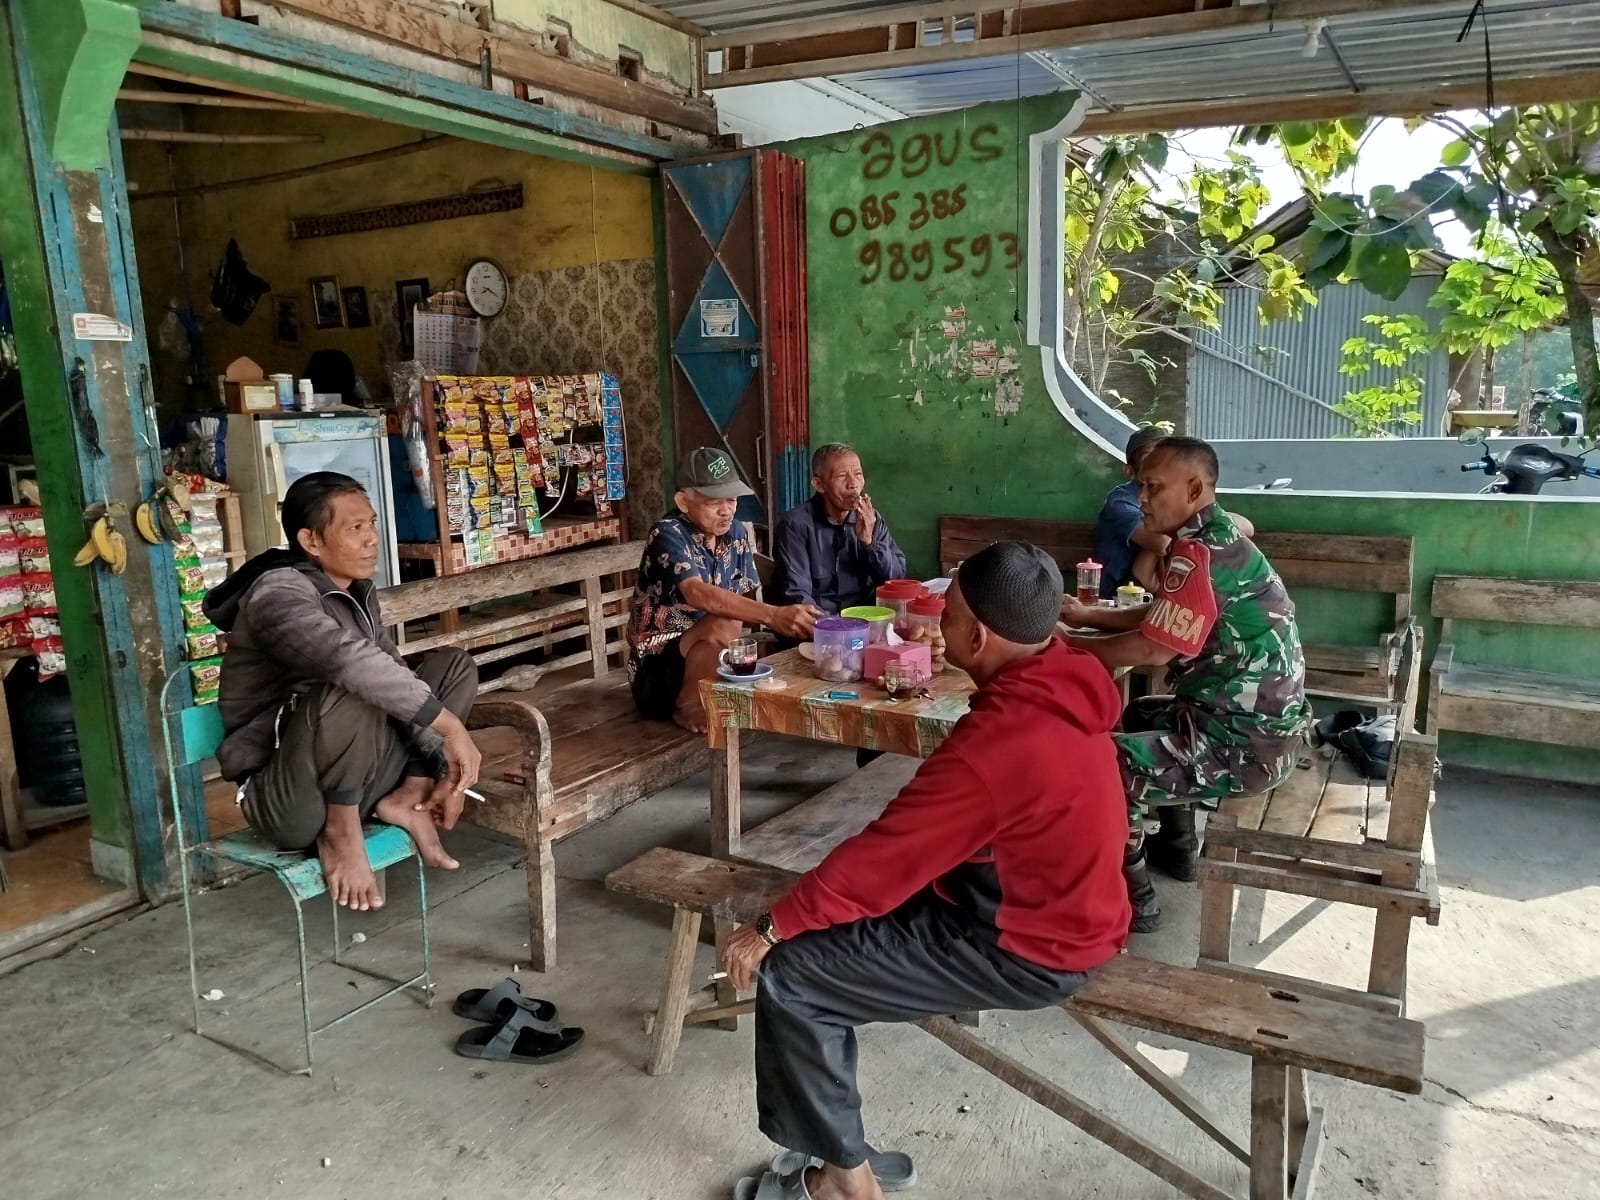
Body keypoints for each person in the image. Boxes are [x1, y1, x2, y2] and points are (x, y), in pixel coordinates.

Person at [720, 541, 1130, 1200]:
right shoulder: (1066, 678)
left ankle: (845, 1183)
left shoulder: (1001, 741)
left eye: (947, 614)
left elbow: (886, 859)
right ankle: (840, 1147)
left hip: (1028, 947)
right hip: (1063, 912)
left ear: (977, 636)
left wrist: (771, 928)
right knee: (832, 928)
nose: (936, 625)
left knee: (793, 976)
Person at [1062, 437, 1310, 932]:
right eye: (1141, 486)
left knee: (1103, 763)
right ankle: (1176, 850)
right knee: (1141, 713)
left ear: (1194, 489)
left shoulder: (1200, 552)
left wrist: (1067, 647)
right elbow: (1164, 617)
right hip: (1253, 726)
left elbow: (1154, 650)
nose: (1143, 498)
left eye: (1154, 487)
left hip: (1247, 747)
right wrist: (1088, 619)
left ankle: (1136, 896)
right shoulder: (1211, 537)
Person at [204, 472, 483, 912]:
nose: (372, 538)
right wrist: (449, 727)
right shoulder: (277, 593)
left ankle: (408, 796)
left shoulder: (356, 593)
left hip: (357, 773)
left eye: (371, 524)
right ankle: (340, 830)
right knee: (353, 684)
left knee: (452, 666)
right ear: (311, 540)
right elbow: (347, 662)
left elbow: (393, 673)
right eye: (355, 528)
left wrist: (436, 760)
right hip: (289, 799)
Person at [627, 448, 821, 733]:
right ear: (683, 501)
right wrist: (774, 615)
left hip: (712, 659)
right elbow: (697, 593)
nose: (726, 510)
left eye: (731, 500)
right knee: (726, 620)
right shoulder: (667, 533)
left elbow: (744, 598)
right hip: (656, 675)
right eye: (713, 503)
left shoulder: (736, 533)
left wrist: (799, 623)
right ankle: (687, 704)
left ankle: (708, 692)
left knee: (735, 623)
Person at [773, 443, 907, 614]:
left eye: (858, 474)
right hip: (818, 623)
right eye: (842, 476)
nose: (853, 484)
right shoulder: (794, 525)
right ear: (819, 484)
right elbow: (798, 596)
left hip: (865, 617)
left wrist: (870, 543)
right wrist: (836, 625)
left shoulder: (870, 518)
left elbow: (895, 580)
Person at [1092, 426, 1169, 597]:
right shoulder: (1120, 501)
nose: (1159, 465)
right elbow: (1161, 544)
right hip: (1116, 597)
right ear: (1130, 471)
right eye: (1148, 459)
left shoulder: (1168, 497)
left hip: (1150, 594)